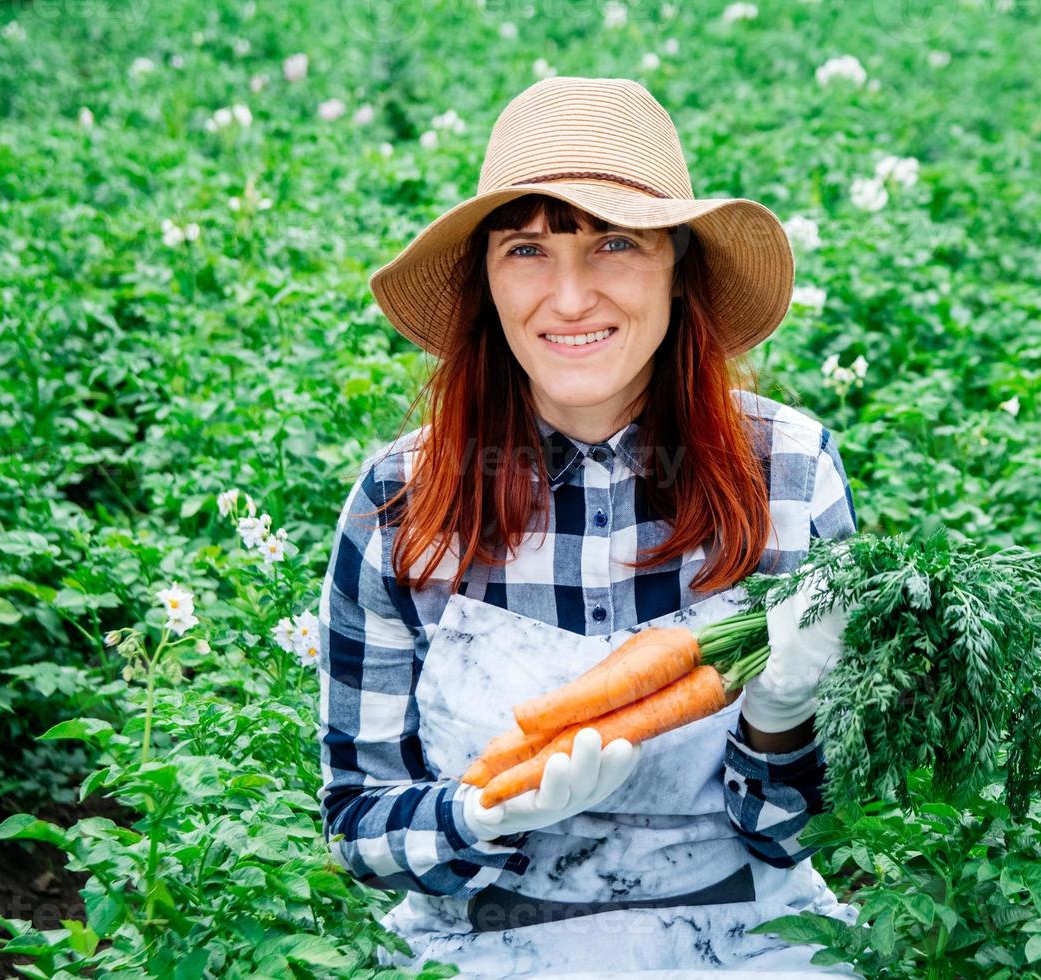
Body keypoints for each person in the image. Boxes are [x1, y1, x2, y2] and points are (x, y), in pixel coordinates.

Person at [316, 76, 862, 978]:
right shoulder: (400, 501)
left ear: (678, 268)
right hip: (477, 941)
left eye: (615, 242)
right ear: (486, 283)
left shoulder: (790, 475)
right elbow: (357, 825)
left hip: (752, 938)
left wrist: (780, 717)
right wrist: (477, 815)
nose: (569, 299)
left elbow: (807, 835)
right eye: (526, 250)